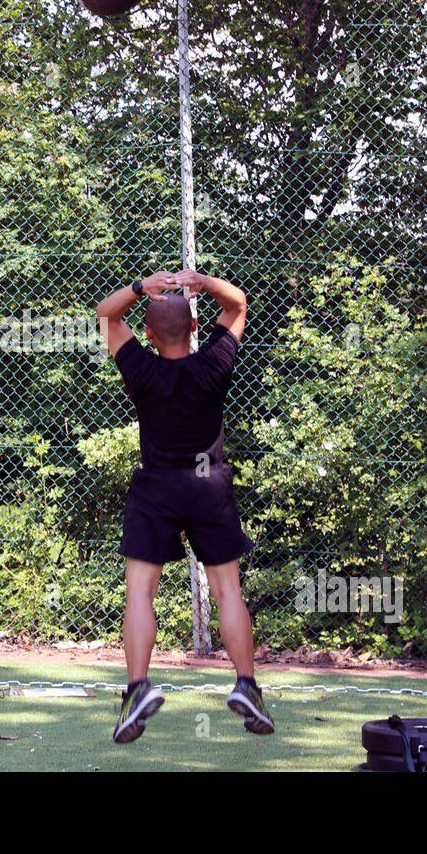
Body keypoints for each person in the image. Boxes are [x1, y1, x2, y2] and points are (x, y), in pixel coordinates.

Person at [96, 268, 274, 743]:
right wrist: (202, 281)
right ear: (195, 328)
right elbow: (238, 304)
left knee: (140, 594)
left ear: (148, 334)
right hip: (207, 484)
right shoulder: (213, 361)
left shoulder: (140, 366)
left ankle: (137, 690)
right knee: (228, 591)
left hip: (157, 485)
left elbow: (104, 314)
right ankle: (246, 686)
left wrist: (140, 288)